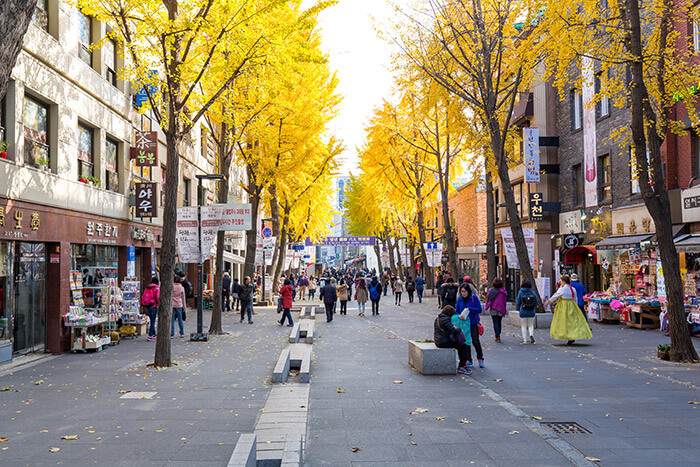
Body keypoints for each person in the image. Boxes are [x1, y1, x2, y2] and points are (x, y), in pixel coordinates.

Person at [546, 275, 592, 345]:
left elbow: (555, 296)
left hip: (563, 306)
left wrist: (548, 302)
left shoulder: (562, 289)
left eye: (561, 281)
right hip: (572, 305)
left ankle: (567, 335)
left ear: (564, 281)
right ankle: (573, 336)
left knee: (564, 322)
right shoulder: (572, 289)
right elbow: (575, 298)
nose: (560, 282)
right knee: (572, 322)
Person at [434, 305, 472, 375]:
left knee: (461, 345)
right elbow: (453, 330)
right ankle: (461, 366)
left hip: (438, 340)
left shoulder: (438, 318)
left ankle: (463, 365)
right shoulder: (445, 319)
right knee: (462, 346)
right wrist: (459, 329)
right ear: (449, 313)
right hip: (444, 342)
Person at [456, 284, 484, 368]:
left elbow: (479, 309)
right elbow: (457, 310)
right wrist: (459, 316)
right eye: (461, 292)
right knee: (466, 342)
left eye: (464, 291)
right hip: (464, 324)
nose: (463, 293)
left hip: (473, 322)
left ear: (468, 291)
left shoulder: (473, 298)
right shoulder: (460, 299)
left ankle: (480, 358)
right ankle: (468, 359)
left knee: (475, 341)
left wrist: (470, 309)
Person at [484, 278, 508, 343]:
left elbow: (488, 298)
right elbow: (504, 301)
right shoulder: (503, 291)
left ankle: (497, 336)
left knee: (495, 322)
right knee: (499, 322)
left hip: (494, 308)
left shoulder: (491, 290)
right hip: (501, 309)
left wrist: (487, 305)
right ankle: (498, 334)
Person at [516, 280, 538, 344]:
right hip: (531, 311)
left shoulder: (520, 292)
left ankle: (525, 340)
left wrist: (518, 309)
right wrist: (533, 307)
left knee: (523, 326)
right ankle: (531, 334)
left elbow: (518, 302)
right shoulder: (533, 292)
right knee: (531, 325)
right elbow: (536, 302)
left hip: (523, 310)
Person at [141, 276, 160, 341]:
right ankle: (150, 335)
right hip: (153, 306)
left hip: (147, 306)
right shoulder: (156, 288)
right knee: (153, 321)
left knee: (152, 320)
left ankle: (154, 333)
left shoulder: (147, 288)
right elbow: (157, 298)